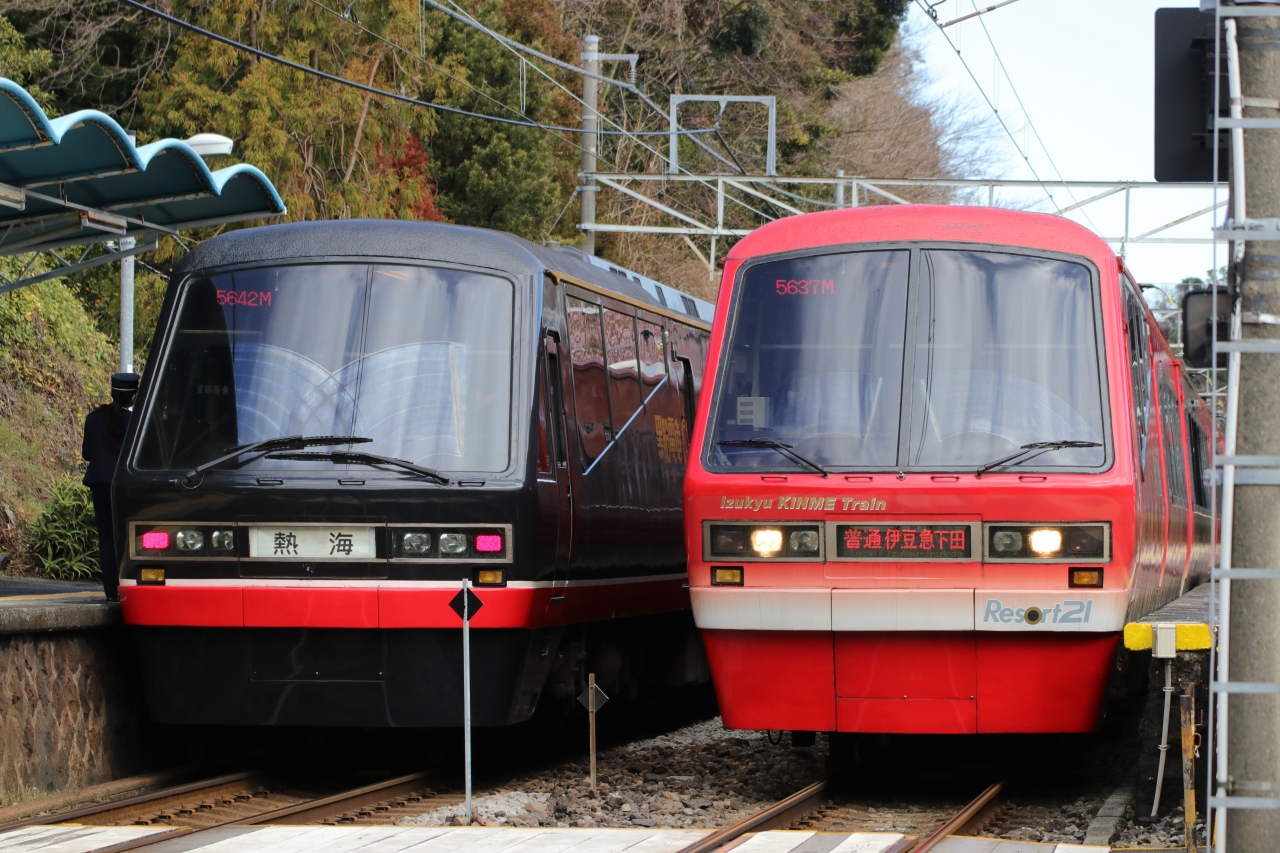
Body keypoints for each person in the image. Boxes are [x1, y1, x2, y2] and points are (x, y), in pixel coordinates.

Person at [83, 372, 139, 601]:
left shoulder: (93, 418)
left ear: (112, 392)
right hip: (124, 485)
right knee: (126, 537)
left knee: (106, 537)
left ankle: (110, 591)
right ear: (133, 396)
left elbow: (87, 453)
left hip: (99, 482)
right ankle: (128, 587)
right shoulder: (134, 422)